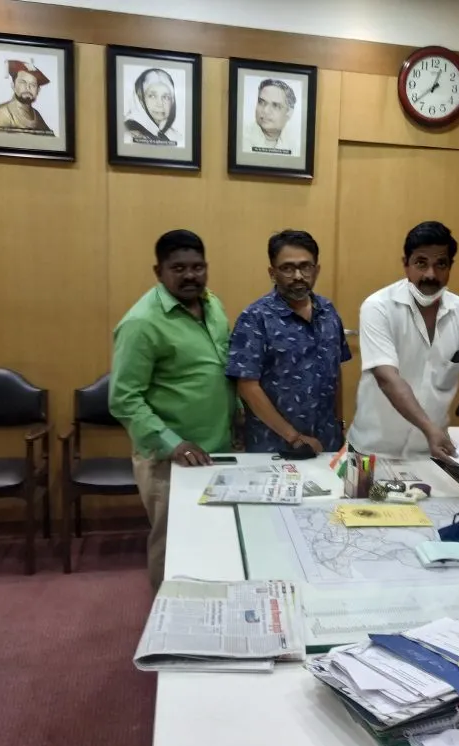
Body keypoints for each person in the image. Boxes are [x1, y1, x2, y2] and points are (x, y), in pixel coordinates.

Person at [109, 230, 238, 589]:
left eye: (197, 267)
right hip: (170, 459)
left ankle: (210, 613)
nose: (190, 276)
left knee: (214, 538)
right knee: (172, 546)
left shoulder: (212, 305)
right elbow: (124, 398)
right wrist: (173, 443)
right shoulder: (141, 323)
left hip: (218, 450)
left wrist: (239, 413)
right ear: (159, 271)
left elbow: (222, 369)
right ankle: (164, 621)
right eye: (178, 268)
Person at [347, 221, 459, 459]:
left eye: (441, 264)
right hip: (372, 451)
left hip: (431, 452)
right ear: (406, 264)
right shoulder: (378, 307)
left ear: (450, 266)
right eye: (421, 263)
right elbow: (387, 379)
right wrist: (429, 429)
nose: (431, 274)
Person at [227, 230, 351, 454]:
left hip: (327, 443)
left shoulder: (328, 311)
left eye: (305, 267)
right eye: (287, 268)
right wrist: (294, 438)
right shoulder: (255, 318)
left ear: (316, 270)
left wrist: (339, 424)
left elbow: (336, 372)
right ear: (272, 273)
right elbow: (247, 386)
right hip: (275, 447)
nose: (298, 276)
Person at [0, 60, 53, 135]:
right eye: (22, 82)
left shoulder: (37, 116)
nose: (28, 88)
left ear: (38, 90)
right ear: (13, 85)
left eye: (33, 85)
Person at [124, 68, 181, 146]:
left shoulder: (174, 135)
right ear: (140, 99)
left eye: (166, 97)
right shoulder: (130, 136)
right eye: (152, 96)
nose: (160, 104)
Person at [243, 78, 295, 154]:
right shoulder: (242, 138)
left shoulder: (296, 144)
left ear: (289, 113)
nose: (265, 110)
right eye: (261, 102)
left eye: (275, 105)